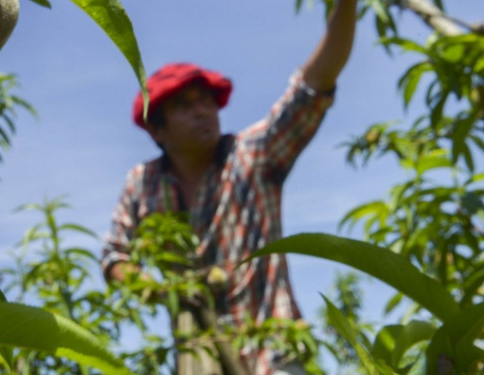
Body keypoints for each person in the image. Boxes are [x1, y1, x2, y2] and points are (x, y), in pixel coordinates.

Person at [100, 1, 358, 374]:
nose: (203, 110)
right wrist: (162, 292)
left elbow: (313, 86)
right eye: (185, 105)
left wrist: (346, 6)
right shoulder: (143, 183)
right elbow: (114, 257)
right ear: (156, 129)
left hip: (274, 352)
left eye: (207, 100)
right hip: (200, 357)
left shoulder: (252, 155)